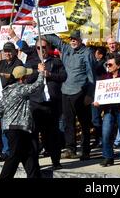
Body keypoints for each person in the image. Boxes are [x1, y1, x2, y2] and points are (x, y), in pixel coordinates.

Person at [12, 31, 67, 169]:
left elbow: (63, 76)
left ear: (48, 48)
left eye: (44, 47)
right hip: (36, 104)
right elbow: (25, 80)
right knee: (34, 136)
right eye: (38, 48)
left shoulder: (56, 61)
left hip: (52, 104)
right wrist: (38, 72)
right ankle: (34, 164)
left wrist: (49, 74)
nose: (41, 50)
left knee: (53, 135)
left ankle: (56, 162)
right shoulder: (30, 63)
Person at [40, 30, 96, 161]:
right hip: (65, 91)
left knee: (84, 123)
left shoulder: (87, 53)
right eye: (71, 39)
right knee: (68, 122)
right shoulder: (66, 48)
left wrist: (90, 94)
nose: (73, 41)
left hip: (81, 91)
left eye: (75, 39)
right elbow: (55, 40)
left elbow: (91, 75)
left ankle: (86, 150)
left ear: (81, 40)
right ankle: (70, 148)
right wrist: (41, 29)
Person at [0, 63, 46, 178]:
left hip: (14, 128)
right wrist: (41, 72)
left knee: (28, 154)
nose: (27, 78)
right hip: (17, 128)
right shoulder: (20, 89)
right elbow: (37, 85)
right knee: (14, 155)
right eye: (26, 76)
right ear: (22, 78)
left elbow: (1, 107)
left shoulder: (7, 90)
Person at [0, 42, 24, 161]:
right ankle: (6, 152)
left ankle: (12, 151)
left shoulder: (18, 63)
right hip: (2, 97)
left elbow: (15, 76)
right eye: (5, 51)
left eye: (9, 51)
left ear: (15, 51)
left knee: (11, 127)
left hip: (14, 99)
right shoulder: (1, 63)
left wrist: (2, 74)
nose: (7, 53)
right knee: (3, 126)